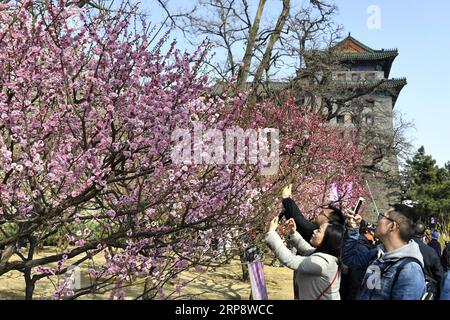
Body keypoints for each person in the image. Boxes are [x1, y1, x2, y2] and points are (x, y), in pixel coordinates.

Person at [343, 204, 426, 300]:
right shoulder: (378, 255)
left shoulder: (410, 271)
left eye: (382, 216)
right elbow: (349, 259)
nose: (377, 221)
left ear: (392, 226)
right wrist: (353, 229)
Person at [278, 184, 345, 298]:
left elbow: (299, 220)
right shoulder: (324, 248)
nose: (318, 213)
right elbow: (307, 248)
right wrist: (293, 233)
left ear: (329, 221)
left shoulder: (323, 258)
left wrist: (287, 199)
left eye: (321, 213)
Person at [265, 216, 345, 300]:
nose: (314, 231)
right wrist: (293, 233)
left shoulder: (322, 262)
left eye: (319, 231)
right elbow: (306, 249)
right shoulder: (329, 257)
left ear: (328, 239)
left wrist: (271, 233)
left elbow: (289, 260)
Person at [340, 221, 376, 300]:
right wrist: (352, 296)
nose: (374, 239)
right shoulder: (362, 248)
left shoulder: (364, 246)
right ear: (367, 231)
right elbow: (356, 275)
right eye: (373, 233)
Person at [411, 223, 443, 299]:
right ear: (423, 235)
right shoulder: (430, 251)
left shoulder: (402, 248)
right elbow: (439, 274)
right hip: (426, 289)